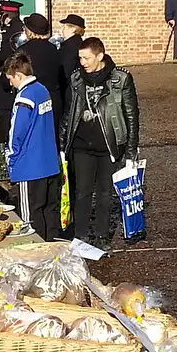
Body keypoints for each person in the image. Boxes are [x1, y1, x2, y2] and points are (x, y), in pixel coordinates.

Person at [61, 36, 139, 250]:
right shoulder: (76, 79)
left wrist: (131, 151)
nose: (83, 62)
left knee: (105, 193)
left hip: (109, 144)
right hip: (81, 144)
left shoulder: (120, 79)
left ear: (100, 56)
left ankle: (102, 236)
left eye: (86, 58)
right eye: (80, 58)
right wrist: (62, 144)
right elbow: (69, 112)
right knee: (83, 192)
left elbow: (131, 114)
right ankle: (81, 236)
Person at [4, 51, 62, 240]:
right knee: (50, 211)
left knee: (31, 217)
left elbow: (16, 132)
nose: (10, 84)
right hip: (49, 162)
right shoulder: (43, 90)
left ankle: (38, 256)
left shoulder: (24, 98)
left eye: (10, 79)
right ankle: (55, 251)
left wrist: (10, 157)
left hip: (29, 167)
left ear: (18, 75)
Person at [19, 13, 63, 135]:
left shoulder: (23, 51)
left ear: (29, 31)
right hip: (52, 99)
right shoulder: (53, 49)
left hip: (31, 100)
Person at [56, 14, 86, 100]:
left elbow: (66, 70)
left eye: (65, 27)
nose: (62, 30)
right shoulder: (79, 43)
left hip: (69, 90)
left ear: (73, 29)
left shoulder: (69, 47)